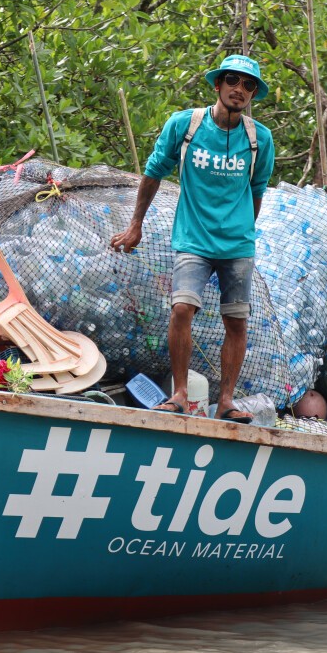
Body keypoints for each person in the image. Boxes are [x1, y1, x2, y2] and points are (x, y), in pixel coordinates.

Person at [109, 55, 275, 423]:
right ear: (217, 84)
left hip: (237, 246)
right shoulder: (186, 125)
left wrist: (242, 230)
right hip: (193, 240)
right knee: (182, 308)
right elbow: (154, 172)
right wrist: (135, 225)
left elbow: (257, 190)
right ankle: (180, 394)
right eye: (232, 80)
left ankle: (227, 402)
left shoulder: (259, 139)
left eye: (248, 85)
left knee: (236, 321)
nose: (239, 89)